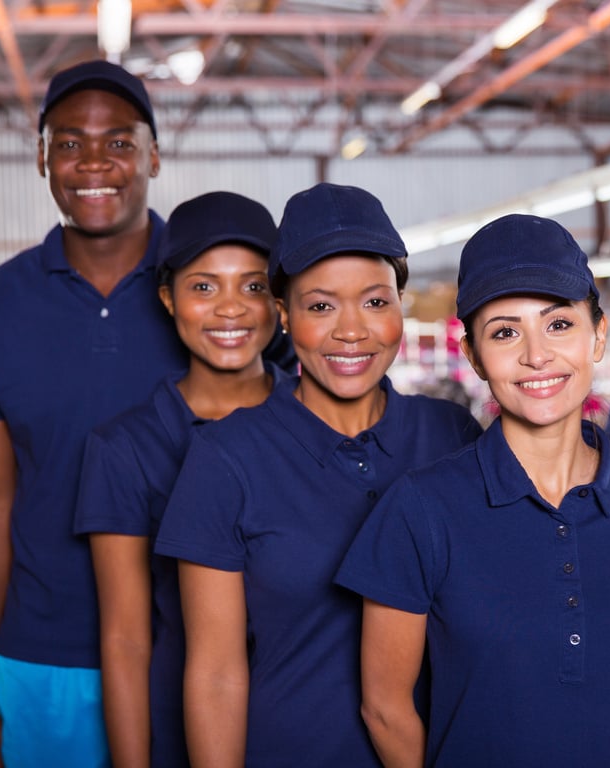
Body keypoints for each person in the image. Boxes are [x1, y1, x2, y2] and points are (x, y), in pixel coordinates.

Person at [336, 213, 610, 767]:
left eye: (558, 325)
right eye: (505, 332)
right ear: (474, 356)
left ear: (598, 335)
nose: (536, 355)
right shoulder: (421, 508)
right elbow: (385, 707)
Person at [154, 182, 482, 766]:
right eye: (321, 305)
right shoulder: (226, 458)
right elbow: (215, 673)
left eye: (376, 301)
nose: (351, 330)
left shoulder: (451, 436)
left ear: (400, 304)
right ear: (283, 314)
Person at [0, 60, 188, 768]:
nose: (93, 162)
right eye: (70, 141)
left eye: (117, 141)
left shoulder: (215, 300)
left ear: (153, 154)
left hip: (190, 655)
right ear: (43, 157)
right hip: (38, 662)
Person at [74, 191, 283, 768]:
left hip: (313, 728)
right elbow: (124, 636)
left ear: (280, 300)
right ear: (168, 298)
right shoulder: (124, 447)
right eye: (204, 286)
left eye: (254, 285)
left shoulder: (318, 418)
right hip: (187, 733)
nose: (231, 309)